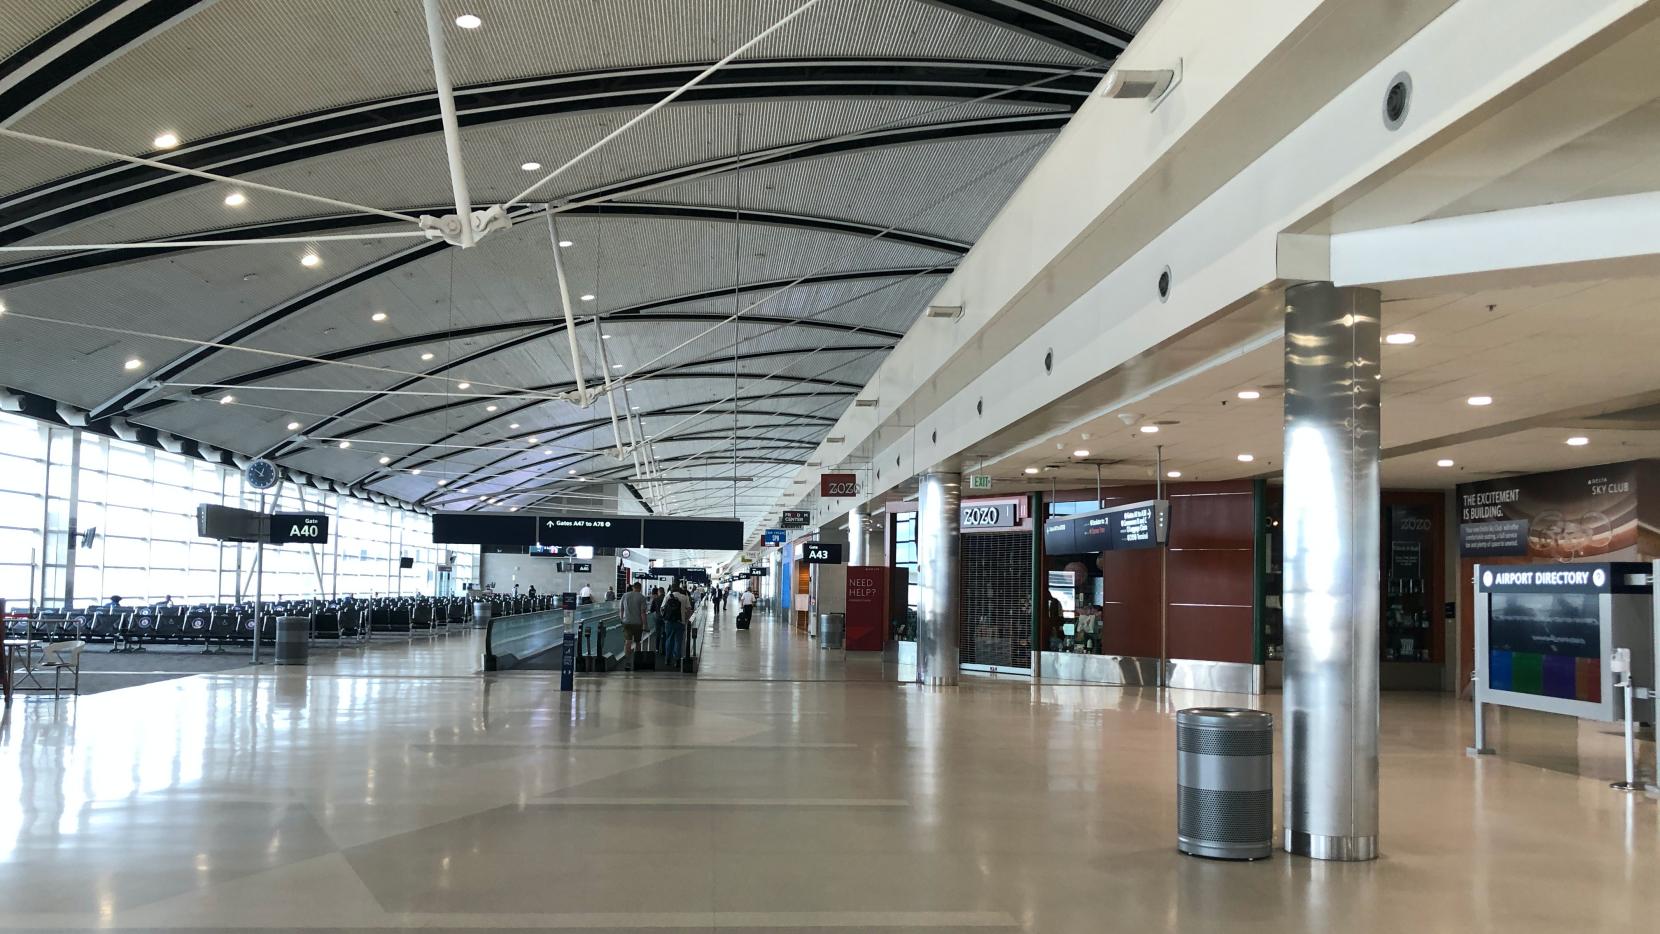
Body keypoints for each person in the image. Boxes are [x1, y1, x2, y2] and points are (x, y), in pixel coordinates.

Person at [619, 583, 647, 670]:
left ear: (633, 587)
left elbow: (621, 609)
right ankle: (637, 661)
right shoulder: (642, 597)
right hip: (638, 623)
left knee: (628, 642)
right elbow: (643, 613)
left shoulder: (625, 595)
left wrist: (622, 620)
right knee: (638, 642)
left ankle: (627, 662)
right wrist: (645, 624)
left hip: (626, 622)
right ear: (640, 588)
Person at [660, 584, 685, 665]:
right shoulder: (684, 597)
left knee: (669, 640)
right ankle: (677, 660)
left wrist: (665, 619)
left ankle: (667, 659)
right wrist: (685, 620)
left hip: (669, 622)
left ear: (671, 589)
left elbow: (662, 608)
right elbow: (688, 610)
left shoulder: (667, 597)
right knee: (678, 641)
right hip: (680, 622)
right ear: (678, 589)